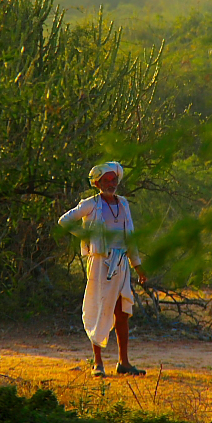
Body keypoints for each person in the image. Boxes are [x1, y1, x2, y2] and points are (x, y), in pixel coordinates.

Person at [58, 161, 148, 377]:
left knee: (122, 313)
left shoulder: (123, 204)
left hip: (122, 264)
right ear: (97, 183)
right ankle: (97, 363)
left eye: (113, 179)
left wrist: (138, 267)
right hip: (99, 264)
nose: (111, 183)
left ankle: (124, 363)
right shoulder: (90, 204)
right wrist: (89, 237)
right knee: (98, 309)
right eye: (106, 180)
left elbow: (131, 237)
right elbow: (65, 221)